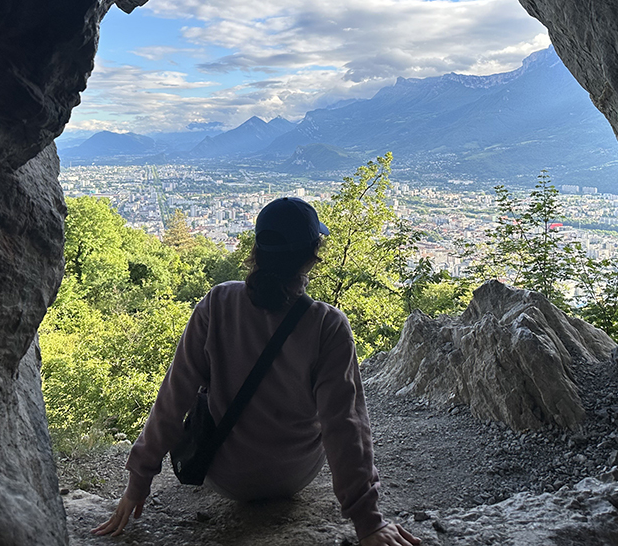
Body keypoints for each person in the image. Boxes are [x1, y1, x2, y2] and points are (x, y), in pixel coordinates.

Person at [92, 197, 420, 546]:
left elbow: (174, 398)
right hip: (292, 475)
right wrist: (368, 522)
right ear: (312, 256)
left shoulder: (217, 304)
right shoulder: (327, 325)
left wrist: (137, 484)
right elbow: (345, 426)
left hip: (225, 477)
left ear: (256, 250)